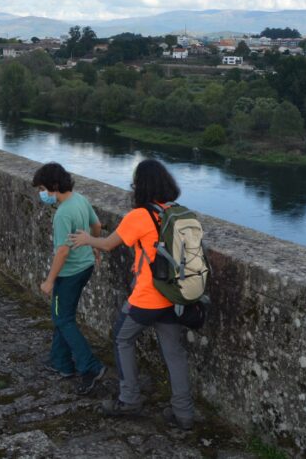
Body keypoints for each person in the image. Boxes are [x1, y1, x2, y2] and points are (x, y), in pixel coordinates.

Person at [68, 159, 195, 430]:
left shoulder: (139, 216)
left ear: (141, 187)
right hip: (174, 296)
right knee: (174, 353)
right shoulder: (177, 213)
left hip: (147, 297)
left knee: (121, 339)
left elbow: (108, 244)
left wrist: (86, 240)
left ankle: (129, 400)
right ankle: (184, 413)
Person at [32, 162, 106, 395]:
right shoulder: (80, 199)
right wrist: (94, 246)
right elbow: (97, 225)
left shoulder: (63, 214)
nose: (41, 194)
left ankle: (90, 366)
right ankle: (61, 362)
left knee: (63, 319)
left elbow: (62, 251)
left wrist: (50, 280)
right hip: (85, 267)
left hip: (69, 273)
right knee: (62, 315)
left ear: (54, 186)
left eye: (43, 188)